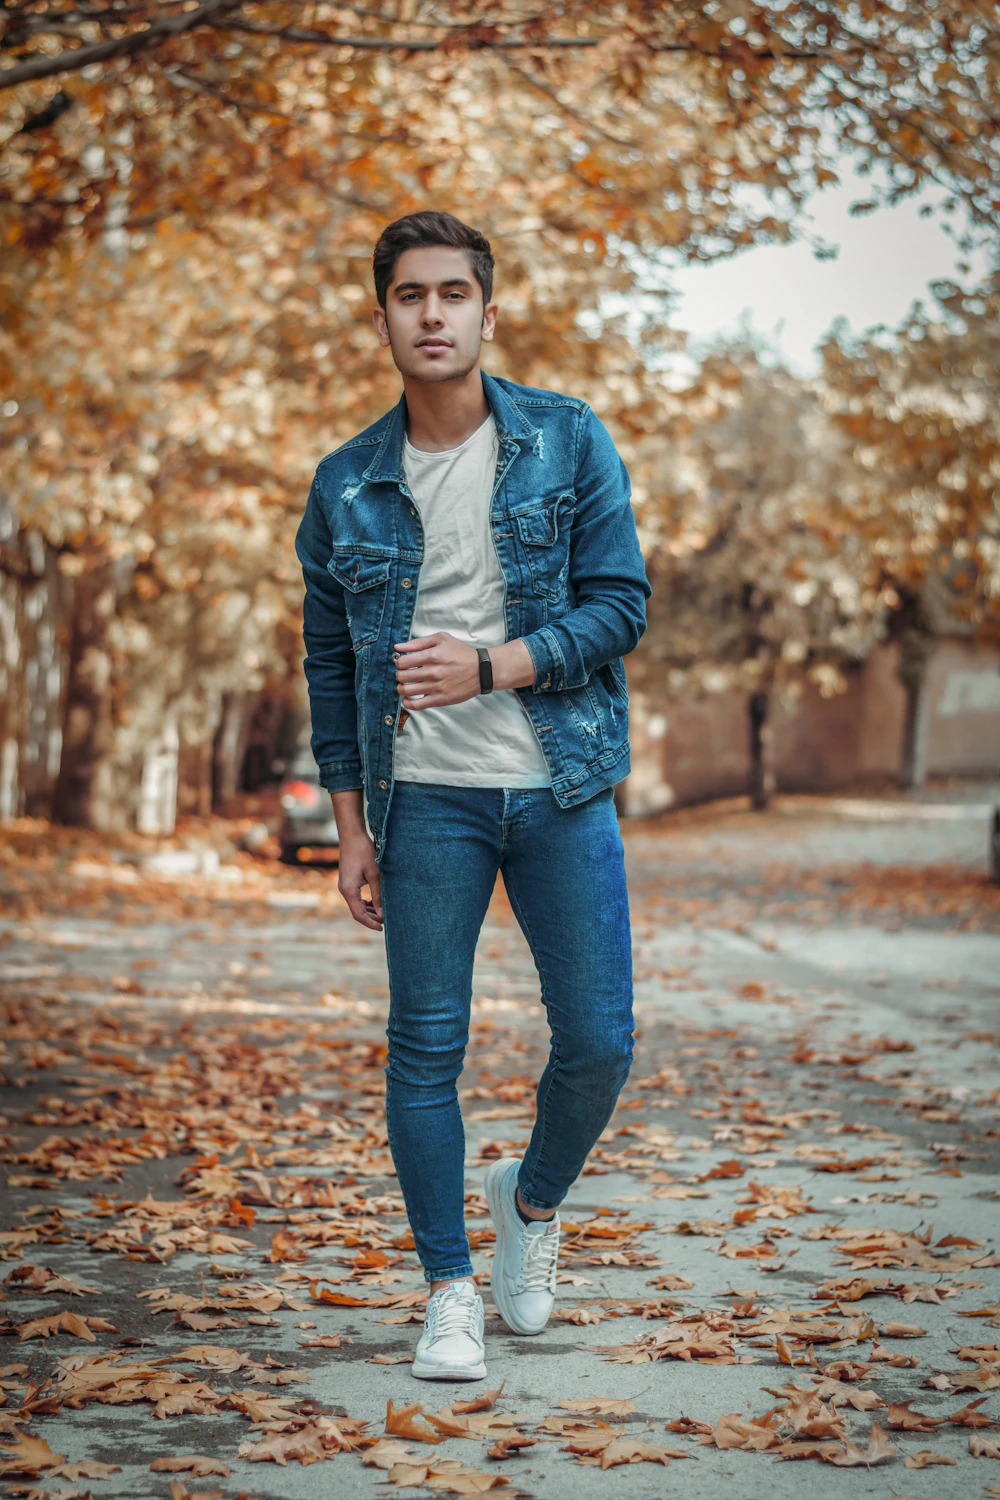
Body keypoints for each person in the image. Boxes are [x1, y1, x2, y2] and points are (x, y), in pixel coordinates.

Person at [295, 210, 650, 1382]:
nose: (432, 314)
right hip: (425, 802)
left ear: (487, 315)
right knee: (423, 1051)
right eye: (410, 295)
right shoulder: (345, 483)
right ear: (384, 314)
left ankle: (528, 1206)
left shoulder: (566, 438)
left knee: (598, 1042)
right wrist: (349, 827)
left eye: (453, 294)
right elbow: (331, 663)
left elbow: (619, 608)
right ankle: (448, 1290)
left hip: (559, 781)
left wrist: (492, 664)